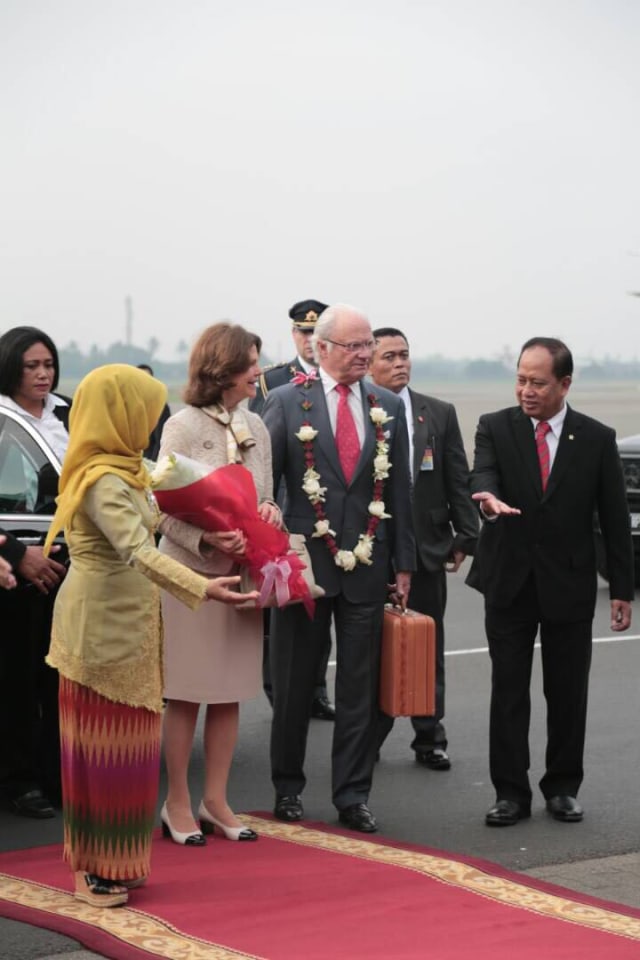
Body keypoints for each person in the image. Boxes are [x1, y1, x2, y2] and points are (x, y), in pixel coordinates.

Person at [44, 364, 258, 908]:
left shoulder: (127, 469)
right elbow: (137, 551)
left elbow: (164, 515)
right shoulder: (101, 479)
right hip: (99, 628)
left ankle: (121, 859)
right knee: (99, 749)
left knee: (132, 750)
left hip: (135, 625)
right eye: (142, 409)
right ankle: (93, 865)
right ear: (118, 414)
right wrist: (207, 589)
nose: (151, 420)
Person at [466, 337, 633, 827]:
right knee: (508, 690)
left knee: (566, 692)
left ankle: (562, 786)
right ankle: (510, 793)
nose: (526, 390)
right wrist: (488, 499)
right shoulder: (494, 427)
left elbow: (614, 517)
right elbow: (484, 473)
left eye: (537, 382)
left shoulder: (597, 438)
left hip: (569, 584)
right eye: (520, 379)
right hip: (509, 581)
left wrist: (621, 588)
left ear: (564, 383)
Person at [262, 303, 415, 833]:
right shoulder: (284, 401)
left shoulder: (387, 404)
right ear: (320, 348)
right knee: (294, 682)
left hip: (369, 567)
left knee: (359, 686)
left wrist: (404, 563)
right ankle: (287, 786)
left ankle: (353, 794)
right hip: (305, 565)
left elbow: (398, 490)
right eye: (353, 345)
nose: (365, 353)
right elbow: (265, 490)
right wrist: (272, 554)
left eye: (367, 343)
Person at [158, 322, 281, 846]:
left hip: (245, 577)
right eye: (251, 363)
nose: (258, 371)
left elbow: (267, 496)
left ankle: (216, 799)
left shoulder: (258, 424)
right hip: (190, 581)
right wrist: (208, 541)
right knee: (186, 695)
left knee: (230, 694)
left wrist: (271, 512)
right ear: (224, 369)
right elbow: (157, 512)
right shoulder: (181, 427)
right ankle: (177, 803)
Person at [369, 328, 478, 769]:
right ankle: (368, 739)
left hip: (427, 548)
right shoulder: (360, 409)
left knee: (428, 645)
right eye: (389, 356)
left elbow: (457, 473)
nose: (400, 363)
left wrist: (465, 534)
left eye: (405, 355)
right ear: (369, 364)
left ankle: (429, 737)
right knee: (371, 650)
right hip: (371, 551)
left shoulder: (437, 412)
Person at [250, 298, 335, 721]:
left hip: (332, 517)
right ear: (294, 335)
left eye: (317, 333)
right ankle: (280, 690)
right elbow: (260, 451)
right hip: (286, 508)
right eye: (304, 332)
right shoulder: (271, 384)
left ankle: (317, 688)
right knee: (286, 608)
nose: (310, 339)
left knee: (325, 604)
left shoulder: (343, 380)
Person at [0, 326, 70, 818]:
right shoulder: (2, 418)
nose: (43, 374)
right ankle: (19, 780)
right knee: (16, 677)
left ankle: (54, 773)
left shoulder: (67, 414)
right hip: (14, 563)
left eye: (48, 364)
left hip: (68, 561)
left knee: (58, 676)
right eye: (32, 366)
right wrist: (13, 553)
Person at [136, 363, 171, 461]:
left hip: (150, 463)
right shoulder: (129, 406)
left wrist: (153, 466)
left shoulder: (160, 407)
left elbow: (161, 441)